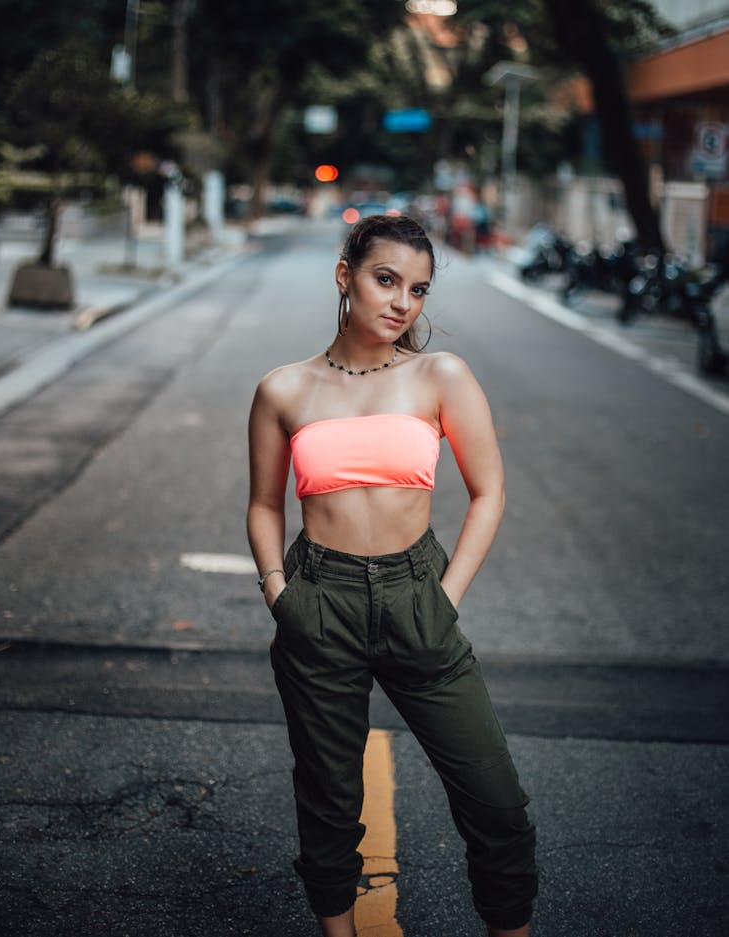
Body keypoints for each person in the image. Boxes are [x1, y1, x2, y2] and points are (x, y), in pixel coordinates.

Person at [246, 214, 537, 937]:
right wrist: (280, 593)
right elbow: (260, 504)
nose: (403, 301)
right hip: (321, 601)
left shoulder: (440, 374)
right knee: (328, 798)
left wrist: (445, 597)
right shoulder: (284, 388)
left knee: (496, 803)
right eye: (386, 279)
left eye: (418, 288)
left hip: (418, 599)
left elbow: (489, 491)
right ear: (345, 275)